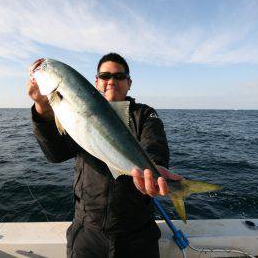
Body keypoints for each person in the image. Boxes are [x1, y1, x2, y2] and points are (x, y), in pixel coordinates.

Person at [27, 53, 182, 258]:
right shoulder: (74, 110)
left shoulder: (144, 114)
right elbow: (55, 154)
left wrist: (155, 168)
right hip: (87, 231)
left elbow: (155, 145)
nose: (111, 81)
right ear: (96, 82)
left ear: (129, 83)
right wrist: (42, 107)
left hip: (137, 233)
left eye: (119, 77)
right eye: (105, 76)